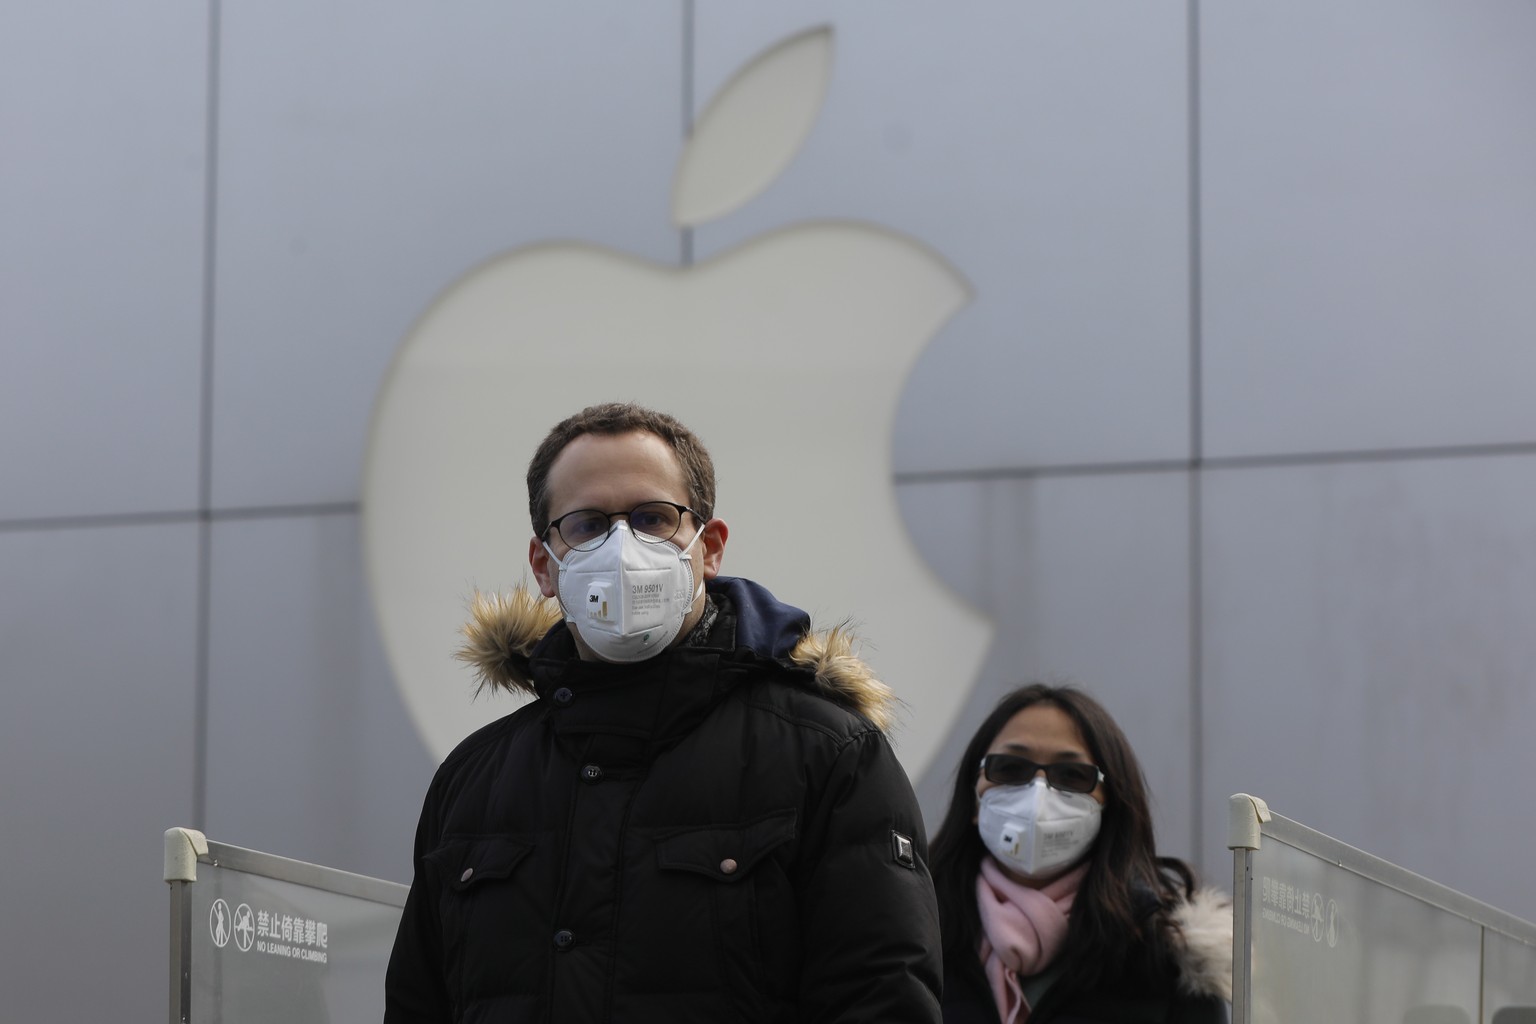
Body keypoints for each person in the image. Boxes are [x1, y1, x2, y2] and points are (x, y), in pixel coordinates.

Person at [384, 402, 943, 1023]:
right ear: (544, 565)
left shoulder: (826, 755)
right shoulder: (474, 782)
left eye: (653, 518)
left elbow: (881, 1001)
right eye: (587, 525)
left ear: (709, 549)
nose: (623, 546)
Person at [930, 684, 1231, 1024]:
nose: (1038, 794)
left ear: (1110, 803)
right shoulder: (914, 937)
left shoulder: (1166, 958)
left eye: (1072, 775)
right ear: (974, 795)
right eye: (1010, 768)